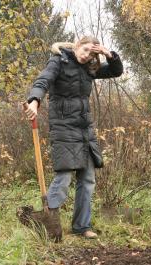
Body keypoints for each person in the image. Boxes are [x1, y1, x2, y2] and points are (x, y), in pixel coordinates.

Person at [24, 36, 123, 239]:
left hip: (84, 130)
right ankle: (48, 225)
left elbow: (115, 71)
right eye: (85, 50)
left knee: (87, 179)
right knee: (64, 176)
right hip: (63, 128)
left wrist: (108, 54)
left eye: (91, 53)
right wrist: (34, 101)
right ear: (77, 46)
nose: (87, 55)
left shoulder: (89, 68)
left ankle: (81, 226)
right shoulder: (59, 61)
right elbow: (43, 80)